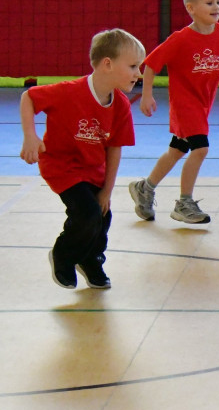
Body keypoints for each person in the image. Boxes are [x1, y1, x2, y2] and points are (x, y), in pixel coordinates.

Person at [20, 29, 143, 289]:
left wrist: (107, 192)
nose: (138, 73)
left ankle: (91, 260)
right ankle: (63, 256)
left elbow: (114, 149)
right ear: (107, 64)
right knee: (86, 213)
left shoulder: (120, 106)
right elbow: (28, 97)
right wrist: (30, 137)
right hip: (61, 166)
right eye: (132, 66)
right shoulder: (68, 92)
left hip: (93, 170)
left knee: (102, 215)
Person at [128, 0, 219, 225]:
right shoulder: (180, 39)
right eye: (209, 2)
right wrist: (146, 94)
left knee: (177, 150)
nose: (216, 6)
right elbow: (151, 65)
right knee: (201, 148)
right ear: (191, 8)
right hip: (185, 104)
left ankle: (145, 187)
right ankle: (184, 202)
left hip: (203, 104)